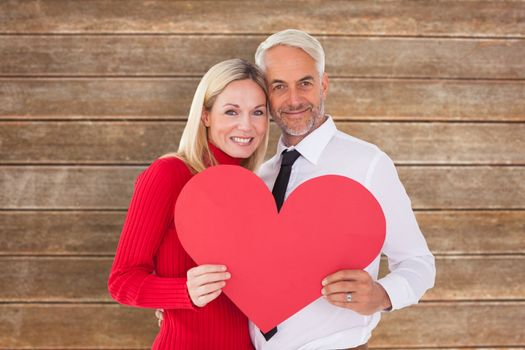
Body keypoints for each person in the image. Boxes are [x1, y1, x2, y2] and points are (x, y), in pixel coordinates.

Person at [248, 29, 436, 350]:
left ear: (323, 85)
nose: (293, 99)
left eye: (305, 83)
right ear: (265, 95)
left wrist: (382, 296)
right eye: (279, 86)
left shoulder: (367, 163)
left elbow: (419, 263)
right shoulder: (260, 178)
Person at [108, 58, 270, 350]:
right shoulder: (169, 174)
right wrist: (183, 292)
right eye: (231, 111)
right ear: (206, 115)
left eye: (257, 112)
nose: (246, 125)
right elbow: (122, 281)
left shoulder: (258, 190)